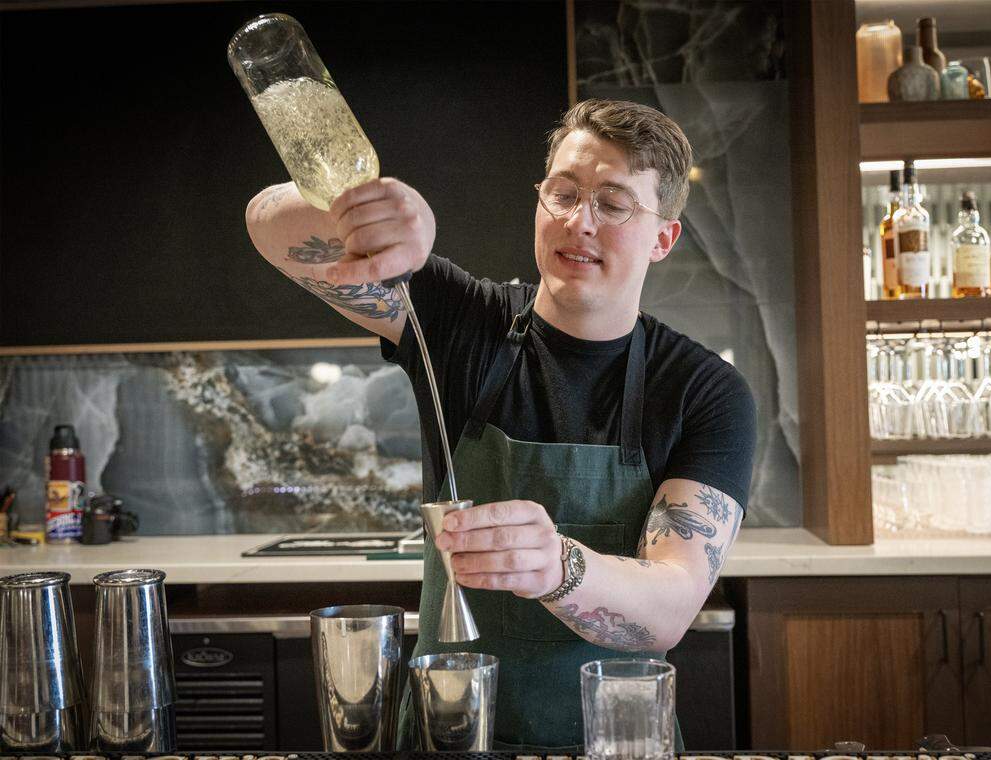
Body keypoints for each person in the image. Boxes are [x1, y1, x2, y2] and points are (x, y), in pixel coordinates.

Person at [245, 98, 757, 751]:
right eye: (563, 193)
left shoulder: (705, 391)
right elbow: (269, 230)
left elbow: (669, 607)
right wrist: (375, 207)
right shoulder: (460, 324)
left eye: (615, 203)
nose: (580, 222)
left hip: (617, 743)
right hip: (450, 735)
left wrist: (558, 568)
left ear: (663, 237)